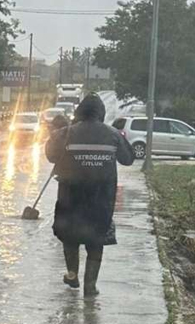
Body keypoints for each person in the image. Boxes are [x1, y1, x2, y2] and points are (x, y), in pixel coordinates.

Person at [45, 93, 134, 296]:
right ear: (101, 113)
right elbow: (128, 159)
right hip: (101, 200)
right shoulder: (112, 135)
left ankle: (72, 274)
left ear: (79, 113)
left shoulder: (65, 134)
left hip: (70, 199)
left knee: (70, 238)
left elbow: (50, 156)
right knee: (96, 242)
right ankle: (90, 286)